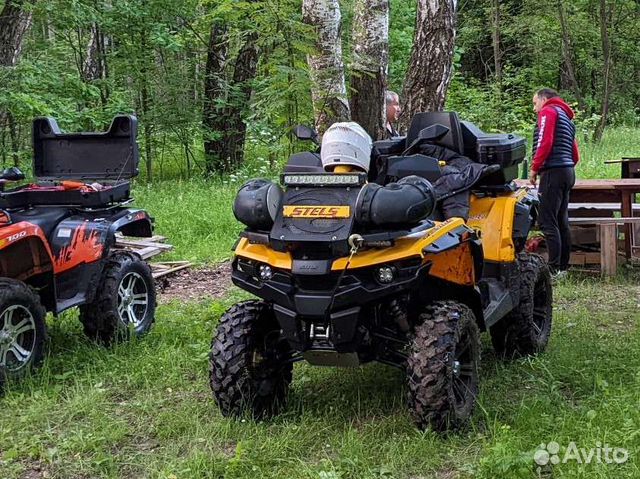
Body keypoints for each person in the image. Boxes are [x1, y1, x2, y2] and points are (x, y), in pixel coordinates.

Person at [528, 88, 580, 276]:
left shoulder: (548, 112)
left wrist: (535, 168)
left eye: (535, 103)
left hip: (553, 172)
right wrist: (565, 166)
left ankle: (552, 268)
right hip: (567, 171)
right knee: (561, 220)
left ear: (544, 99)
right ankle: (563, 268)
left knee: (547, 221)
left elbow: (545, 141)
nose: (535, 109)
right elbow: (575, 154)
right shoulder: (567, 119)